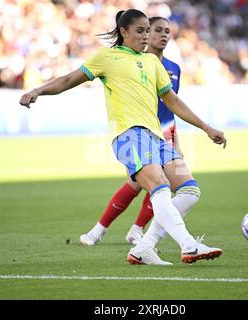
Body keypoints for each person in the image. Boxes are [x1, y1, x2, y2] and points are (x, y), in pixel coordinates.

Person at [19, 9, 227, 265]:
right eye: (140, 31)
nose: (145, 36)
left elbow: (172, 100)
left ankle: (144, 247)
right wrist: (38, 91)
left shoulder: (153, 63)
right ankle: (188, 245)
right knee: (159, 188)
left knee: (190, 191)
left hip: (156, 137)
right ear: (123, 32)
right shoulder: (108, 58)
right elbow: (69, 79)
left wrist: (206, 127)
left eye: (147, 31)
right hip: (129, 135)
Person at [79, 16, 185, 247]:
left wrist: (176, 139)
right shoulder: (128, 60)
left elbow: (172, 103)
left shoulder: (173, 68)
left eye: (167, 31)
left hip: (165, 130)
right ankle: (101, 230)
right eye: (156, 30)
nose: (161, 35)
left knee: (162, 182)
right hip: (137, 131)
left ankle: (136, 230)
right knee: (138, 183)